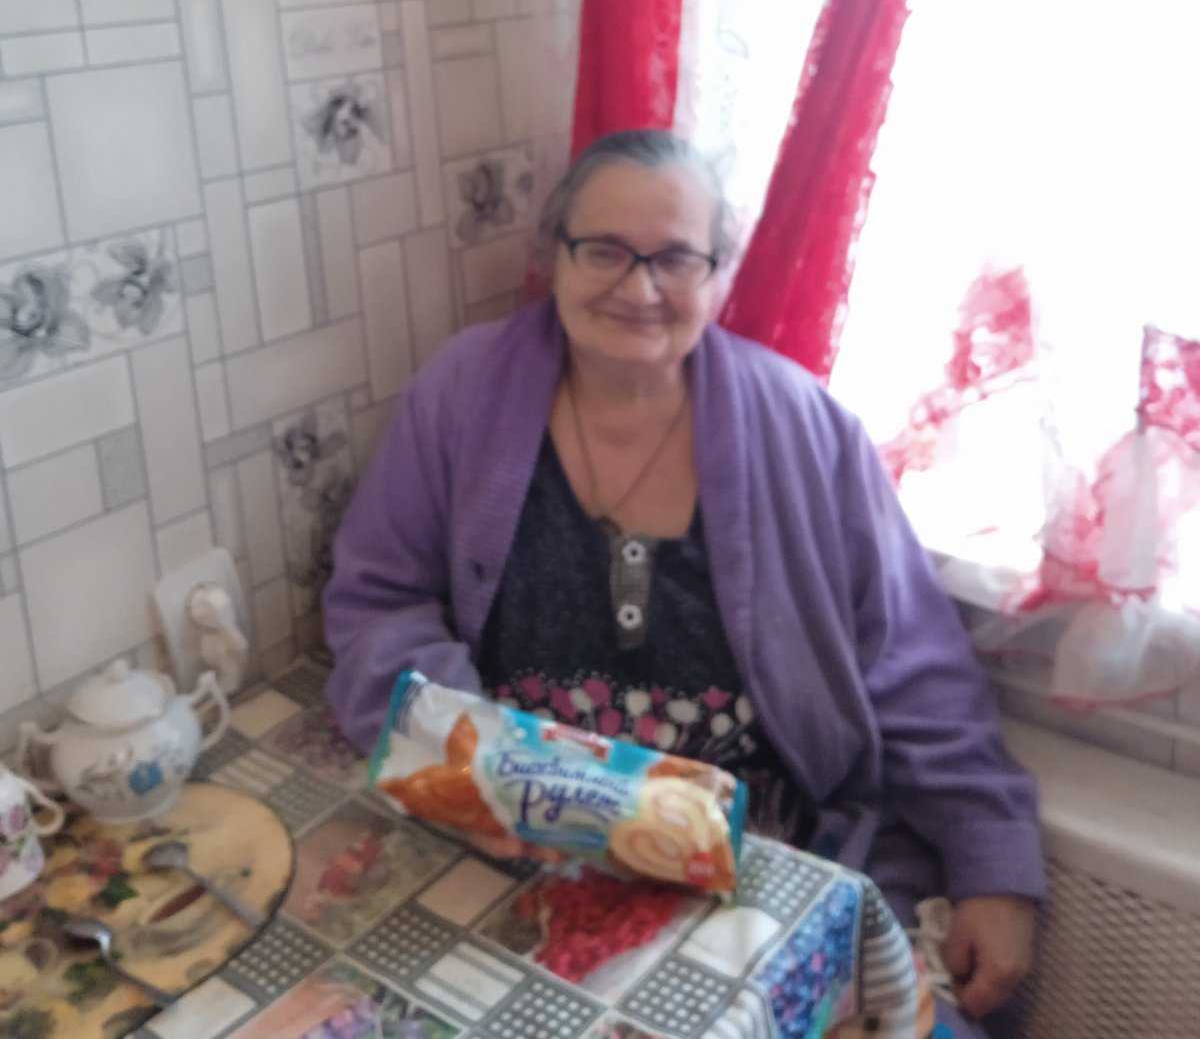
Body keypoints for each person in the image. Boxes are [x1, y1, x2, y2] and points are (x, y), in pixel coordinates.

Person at [325, 130, 1042, 1036]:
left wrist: (991, 862)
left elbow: (912, 665)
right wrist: (476, 764)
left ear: (717, 275)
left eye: (673, 258)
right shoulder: (462, 395)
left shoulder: (806, 428)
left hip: (759, 863)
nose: (638, 289)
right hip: (521, 841)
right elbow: (379, 601)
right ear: (554, 255)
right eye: (603, 251)